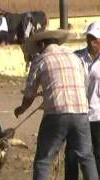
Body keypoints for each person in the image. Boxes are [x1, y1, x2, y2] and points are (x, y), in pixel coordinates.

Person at [14, 30, 98, 180]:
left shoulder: (40, 60)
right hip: (81, 112)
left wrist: (21, 109)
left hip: (56, 114)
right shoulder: (74, 58)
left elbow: (29, 95)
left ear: (42, 44)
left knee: (43, 161)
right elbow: (82, 84)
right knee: (86, 157)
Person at [65, 21, 100, 180]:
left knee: (97, 156)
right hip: (77, 114)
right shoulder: (76, 57)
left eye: (95, 38)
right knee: (72, 155)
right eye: (89, 37)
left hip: (98, 116)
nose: (91, 41)